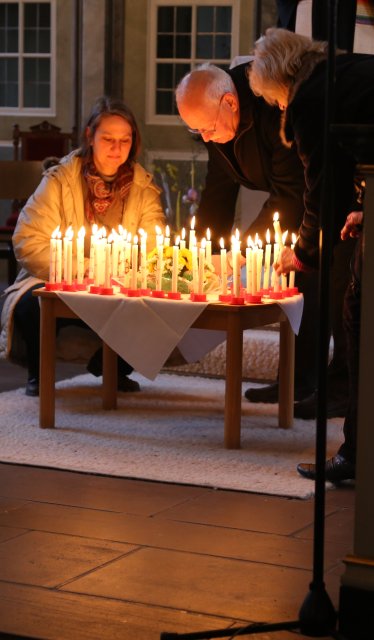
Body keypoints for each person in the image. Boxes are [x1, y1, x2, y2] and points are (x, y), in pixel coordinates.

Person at [175, 63, 347, 417]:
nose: (205, 138)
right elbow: (218, 192)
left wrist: (238, 254)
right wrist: (203, 258)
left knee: (326, 281)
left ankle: (336, 387)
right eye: (196, 132)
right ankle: (296, 380)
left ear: (230, 103)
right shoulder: (214, 121)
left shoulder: (272, 106)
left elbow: (291, 191)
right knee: (297, 282)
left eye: (207, 128)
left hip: (327, 192)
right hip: (295, 191)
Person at [249, 27, 374, 481]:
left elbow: (322, 189)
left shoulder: (310, 99)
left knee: (358, 315)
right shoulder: (342, 73)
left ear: (279, 82)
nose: (279, 108)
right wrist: (364, 208)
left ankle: (359, 456)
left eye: (274, 101)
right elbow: (353, 164)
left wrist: (300, 254)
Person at [0, 96, 166, 396]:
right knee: (30, 305)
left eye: (125, 140)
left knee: (158, 305)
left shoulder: (142, 188)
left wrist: (125, 271)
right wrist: (81, 270)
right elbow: (27, 239)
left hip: (119, 282)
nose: (117, 148)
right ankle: (40, 373)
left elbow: (154, 245)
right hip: (62, 279)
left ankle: (112, 367)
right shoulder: (60, 181)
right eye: (108, 139)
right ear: (90, 137)